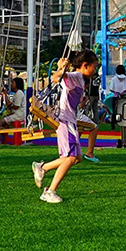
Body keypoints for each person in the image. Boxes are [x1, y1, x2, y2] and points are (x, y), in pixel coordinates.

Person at [32, 51, 100, 203]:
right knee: (70, 157)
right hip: (65, 121)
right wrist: (60, 67)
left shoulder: (79, 78)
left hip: (70, 121)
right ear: (85, 65)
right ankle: (50, 191)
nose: (95, 70)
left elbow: (60, 79)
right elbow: (56, 78)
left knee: (77, 158)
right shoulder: (75, 76)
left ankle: (43, 167)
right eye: (94, 67)